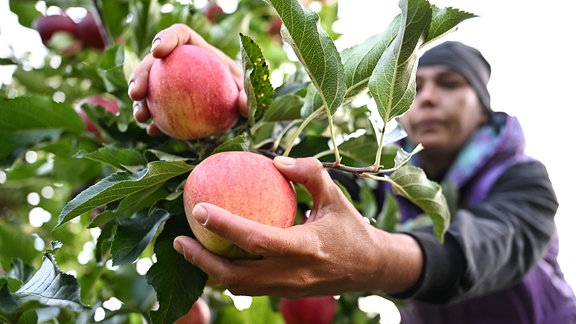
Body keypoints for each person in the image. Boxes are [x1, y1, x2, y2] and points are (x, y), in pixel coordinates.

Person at [128, 24, 576, 323]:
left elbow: (486, 249)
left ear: (482, 104)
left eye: (451, 84)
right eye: (416, 87)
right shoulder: (380, 177)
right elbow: (298, 168)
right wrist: (229, 102)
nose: (429, 98)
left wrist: (377, 261)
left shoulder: (521, 178)